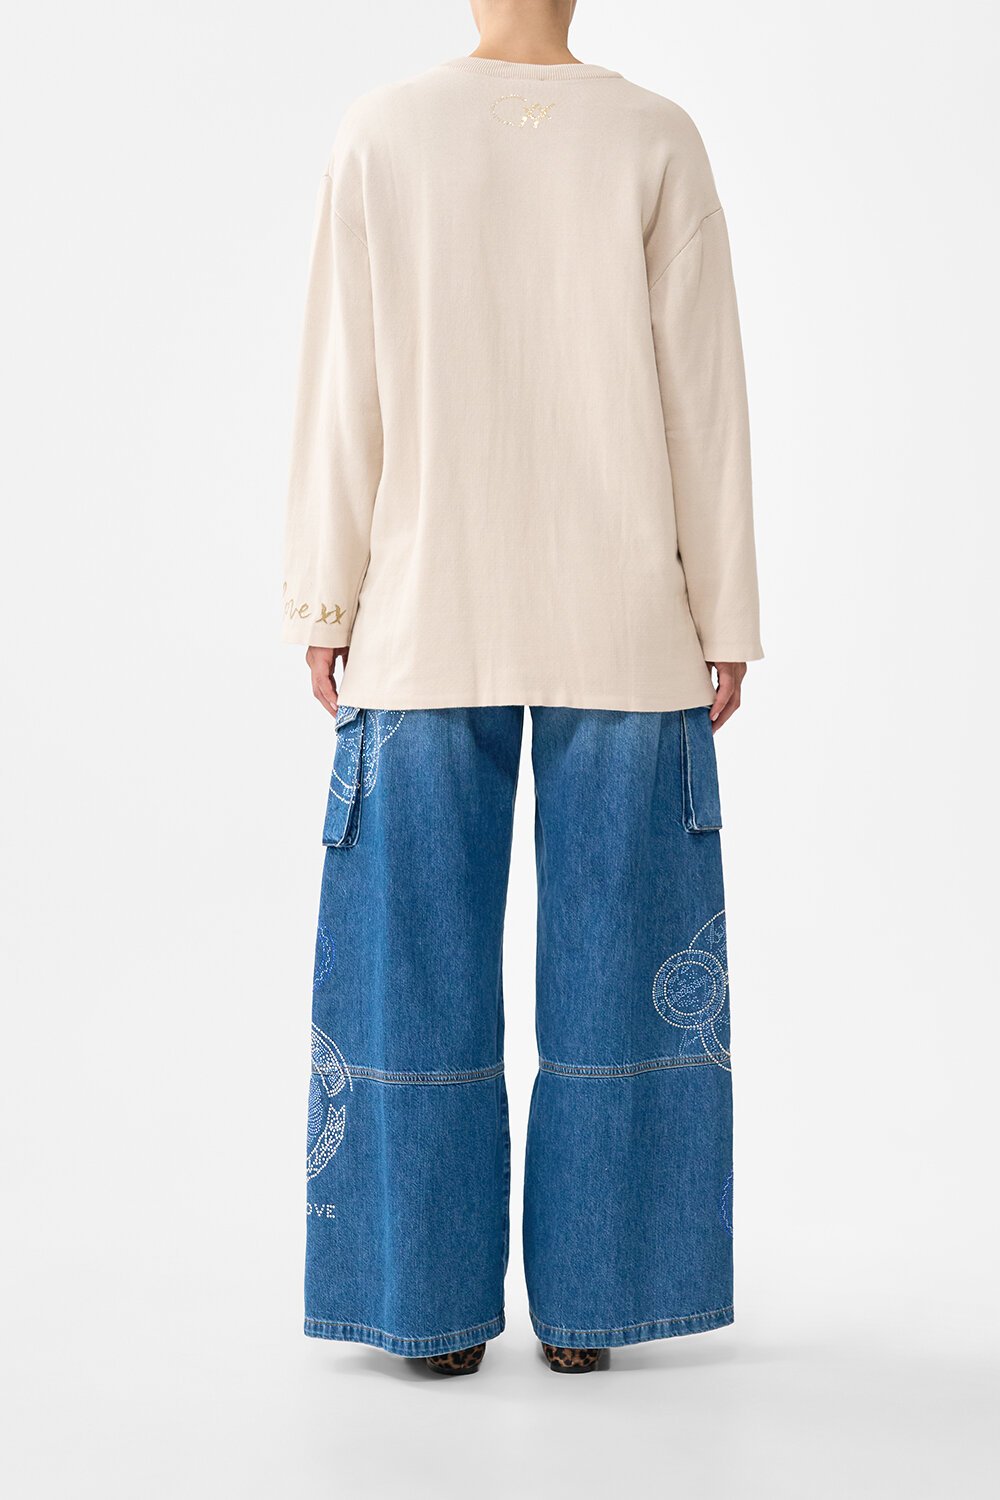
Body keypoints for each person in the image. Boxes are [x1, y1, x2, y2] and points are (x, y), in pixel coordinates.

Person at [283, 0, 762, 1376]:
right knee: (630, 974)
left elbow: (345, 389)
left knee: (410, 979)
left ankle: (424, 1312)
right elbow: (704, 402)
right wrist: (723, 610)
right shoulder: (653, 136)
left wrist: (325, 594)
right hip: (626, 613)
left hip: (425, 607)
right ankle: (600, 1308)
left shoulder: (386, 132)